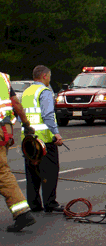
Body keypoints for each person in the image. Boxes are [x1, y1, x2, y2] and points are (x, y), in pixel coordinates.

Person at [21, 66, 64, 213]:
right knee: (50, 172)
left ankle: (34, 204)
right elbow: (48, 115)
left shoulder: (27, 92)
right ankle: (50, 203)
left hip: (28, 140)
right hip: (44, 140)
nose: (50, 79)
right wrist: (56, 134)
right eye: (49, 76)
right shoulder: (44, 92)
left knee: (32, 173)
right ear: (45, 76)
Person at [0, 71, 37, 231]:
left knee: (1, 172)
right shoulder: (3, 78)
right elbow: (15, 103)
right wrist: (26, 124)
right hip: (4, 128)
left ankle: (22, 213)